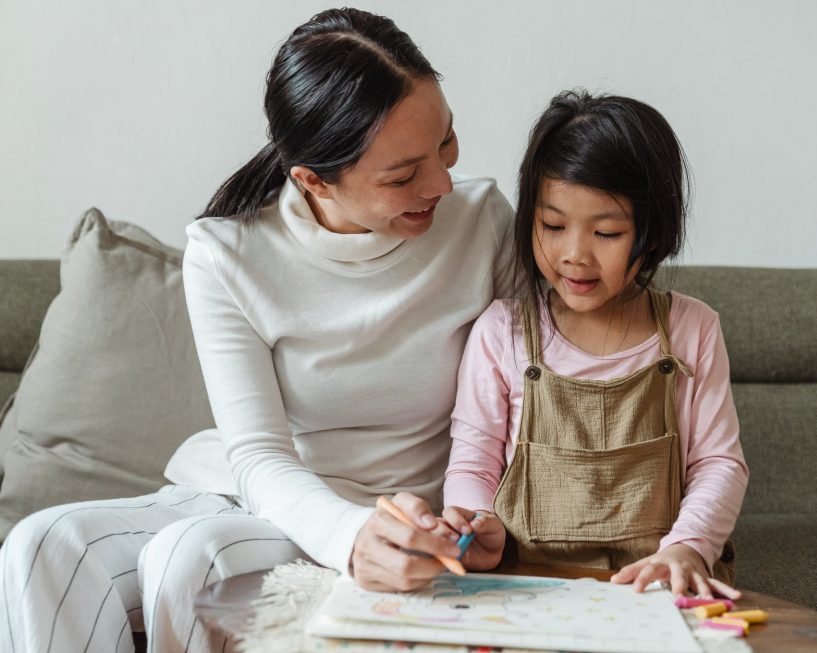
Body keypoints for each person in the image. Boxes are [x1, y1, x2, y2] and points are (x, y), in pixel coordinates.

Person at [0, 8, 513, 653]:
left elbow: (531, 394)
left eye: (446, 141)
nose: (442, 180)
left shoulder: (482, 222)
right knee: (40, 545)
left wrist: (478, 514)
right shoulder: (225, 253)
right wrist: (350, 537)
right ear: (313, 178)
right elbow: (259, 456)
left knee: (190, 559)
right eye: (403, 175)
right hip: (258, 495)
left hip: (395, 511)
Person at [440, 90, 748, 599]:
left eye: (606, 232)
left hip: (655, 585)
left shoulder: (692, 329)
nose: (574, 254)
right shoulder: (502, 332)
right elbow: (473, 464)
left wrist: (690, 546)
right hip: (528, 583)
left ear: (652, 233)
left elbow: (719, 463)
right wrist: (476, 523)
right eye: (553, 226)